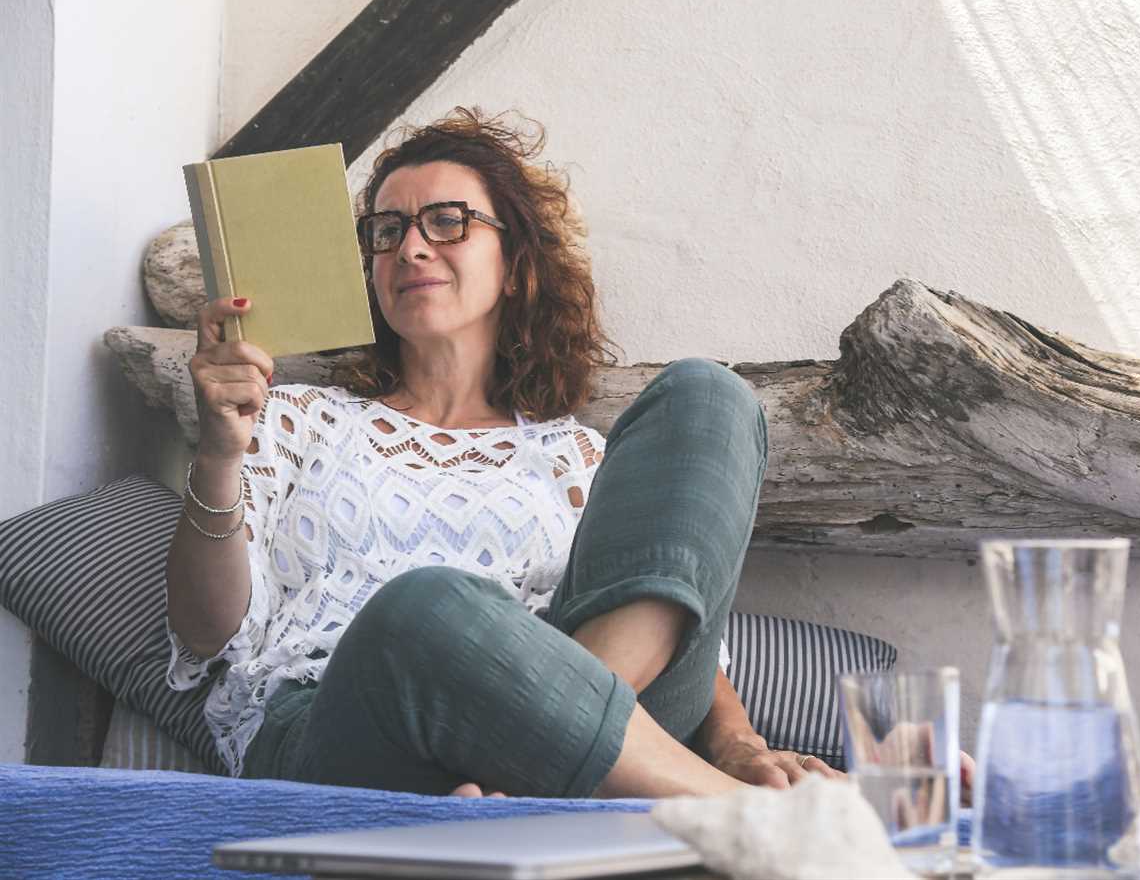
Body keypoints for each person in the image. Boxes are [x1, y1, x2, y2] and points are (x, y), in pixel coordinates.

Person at [164, 107, 839, 799]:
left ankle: (540, 770)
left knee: (709, 392)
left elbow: (668, 612)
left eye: (448, 221)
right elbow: (208, 630)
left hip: (593, 747)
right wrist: (219, 453)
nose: (412, 248)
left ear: (516, 265)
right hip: (350, 729)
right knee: (425, 610)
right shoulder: (299, 419)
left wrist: (738, 744)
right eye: (388, 231)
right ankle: (754, 819)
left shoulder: (576, 456)